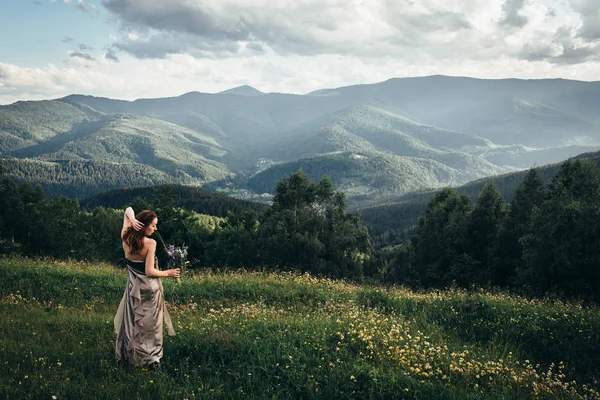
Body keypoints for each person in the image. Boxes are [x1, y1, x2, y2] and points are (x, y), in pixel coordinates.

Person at [114, 207, 180, 367]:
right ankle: (151, 359)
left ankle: (130, 356)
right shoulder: (150, 243)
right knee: (151, 325)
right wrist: (169, 273)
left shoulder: (125, 237)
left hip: (133, 286)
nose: (155, 229)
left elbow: (127, 209)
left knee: (133, 322)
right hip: (149, 289)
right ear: (143, 225)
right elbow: (149, 271)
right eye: (153, 225)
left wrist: (132, 219)